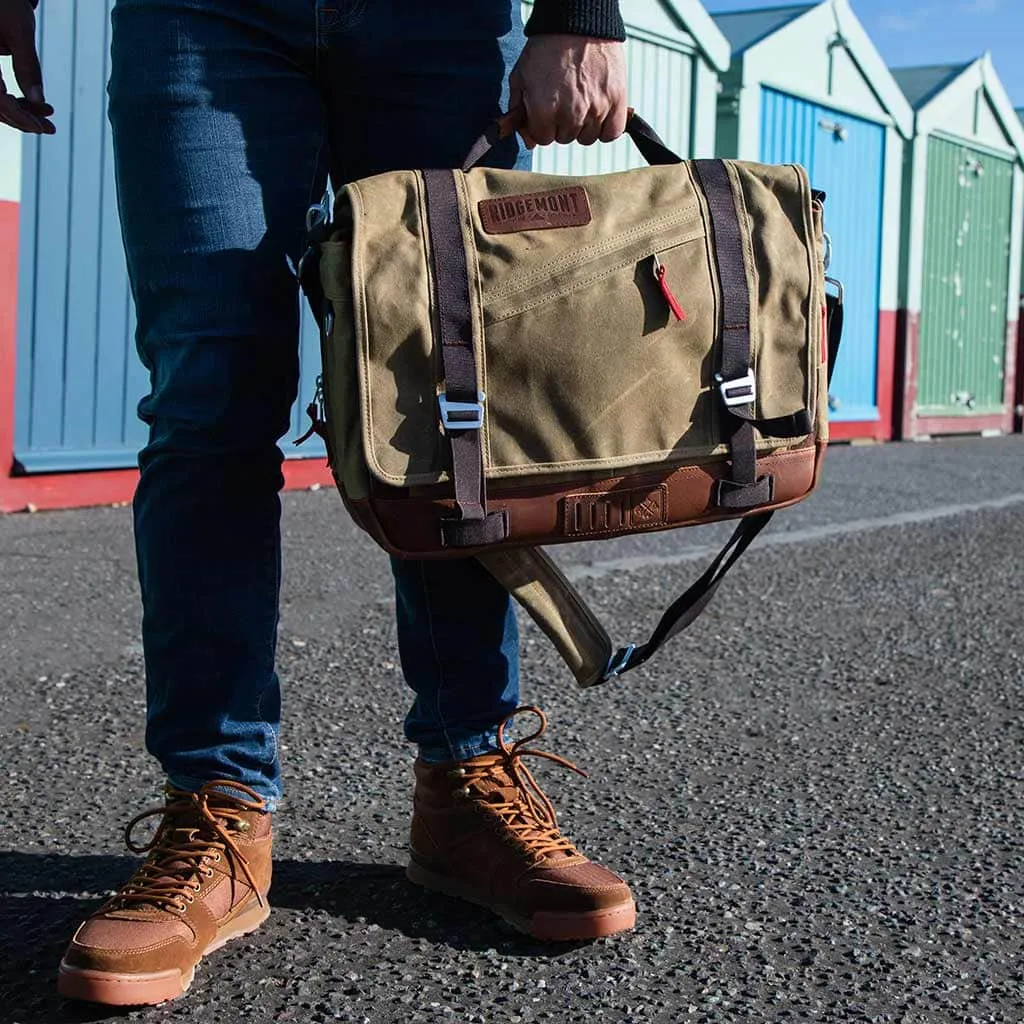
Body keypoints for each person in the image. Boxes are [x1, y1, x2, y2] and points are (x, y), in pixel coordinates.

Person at [1, 0, 635, 1006]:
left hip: (444, 22)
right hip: (197, 17)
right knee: (208, 393)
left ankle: (466, 783)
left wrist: (580, 11)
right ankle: (217, 807)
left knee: (449, 395)